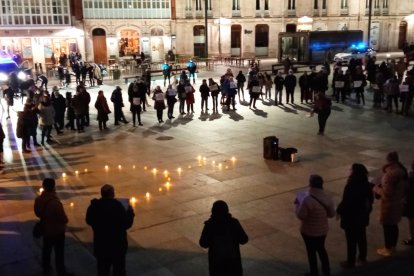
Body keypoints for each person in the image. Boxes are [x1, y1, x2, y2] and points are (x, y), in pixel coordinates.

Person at [86, 184, 135, 276]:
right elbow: (126, 224)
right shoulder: (117, 206)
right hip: (117, 246)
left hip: (101, 245)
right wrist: (130, 213)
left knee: (103, 270)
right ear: (112, 194)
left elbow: (88, 220)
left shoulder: (94, 206)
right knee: (118, 270)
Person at [295, 175, 335, 276]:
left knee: (311, 252)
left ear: (310, 184)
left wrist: (297, 204)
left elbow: (301, 216)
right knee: (321, 249)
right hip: (322, 230)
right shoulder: (327, 198)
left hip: (308, 231)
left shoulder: (306, 199)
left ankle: (314, 272)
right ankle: (326, 271)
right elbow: (331, 214)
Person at [336, 164, 374, 268]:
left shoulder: (351, 185)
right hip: (361, 217)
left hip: (351, 217)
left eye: (351, 169)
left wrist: (339, 210)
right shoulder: (366, 185)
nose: (349, 171)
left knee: (351, 240)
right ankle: (362, 257)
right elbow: (370, 201)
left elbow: (346, 201)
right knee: (362, 237)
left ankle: (351, 261)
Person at [34, 178, 73, 276]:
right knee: (59, 253)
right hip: (57, 231)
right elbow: (63, 218)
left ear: (43, 186)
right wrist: (66, 220)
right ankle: (61, 272)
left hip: (46, 230)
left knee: (46, 251)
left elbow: (37, 213)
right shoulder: (55, 202)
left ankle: (46, 269)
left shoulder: (38, 199)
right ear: (53, 186)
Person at [199, 200, 248, 276]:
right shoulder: (233, 223)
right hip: (233, 264)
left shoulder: (210, 225)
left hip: (217, 265)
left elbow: (203, 243)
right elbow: (244, 240)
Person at [374, 152, 408, 257]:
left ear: (388, 160)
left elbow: (387, 193)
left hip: (389, 205)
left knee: (387, 226)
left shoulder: (390, 175)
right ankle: (393, 246)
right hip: (397, 203)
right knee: (394, 225)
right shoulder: (402, 171)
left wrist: (376, 188)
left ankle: (388, 248)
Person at [403, 161, 414, 246]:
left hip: (412, 202)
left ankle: (412, 238)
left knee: (412, 220)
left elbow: (407, 190)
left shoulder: (411, 178)